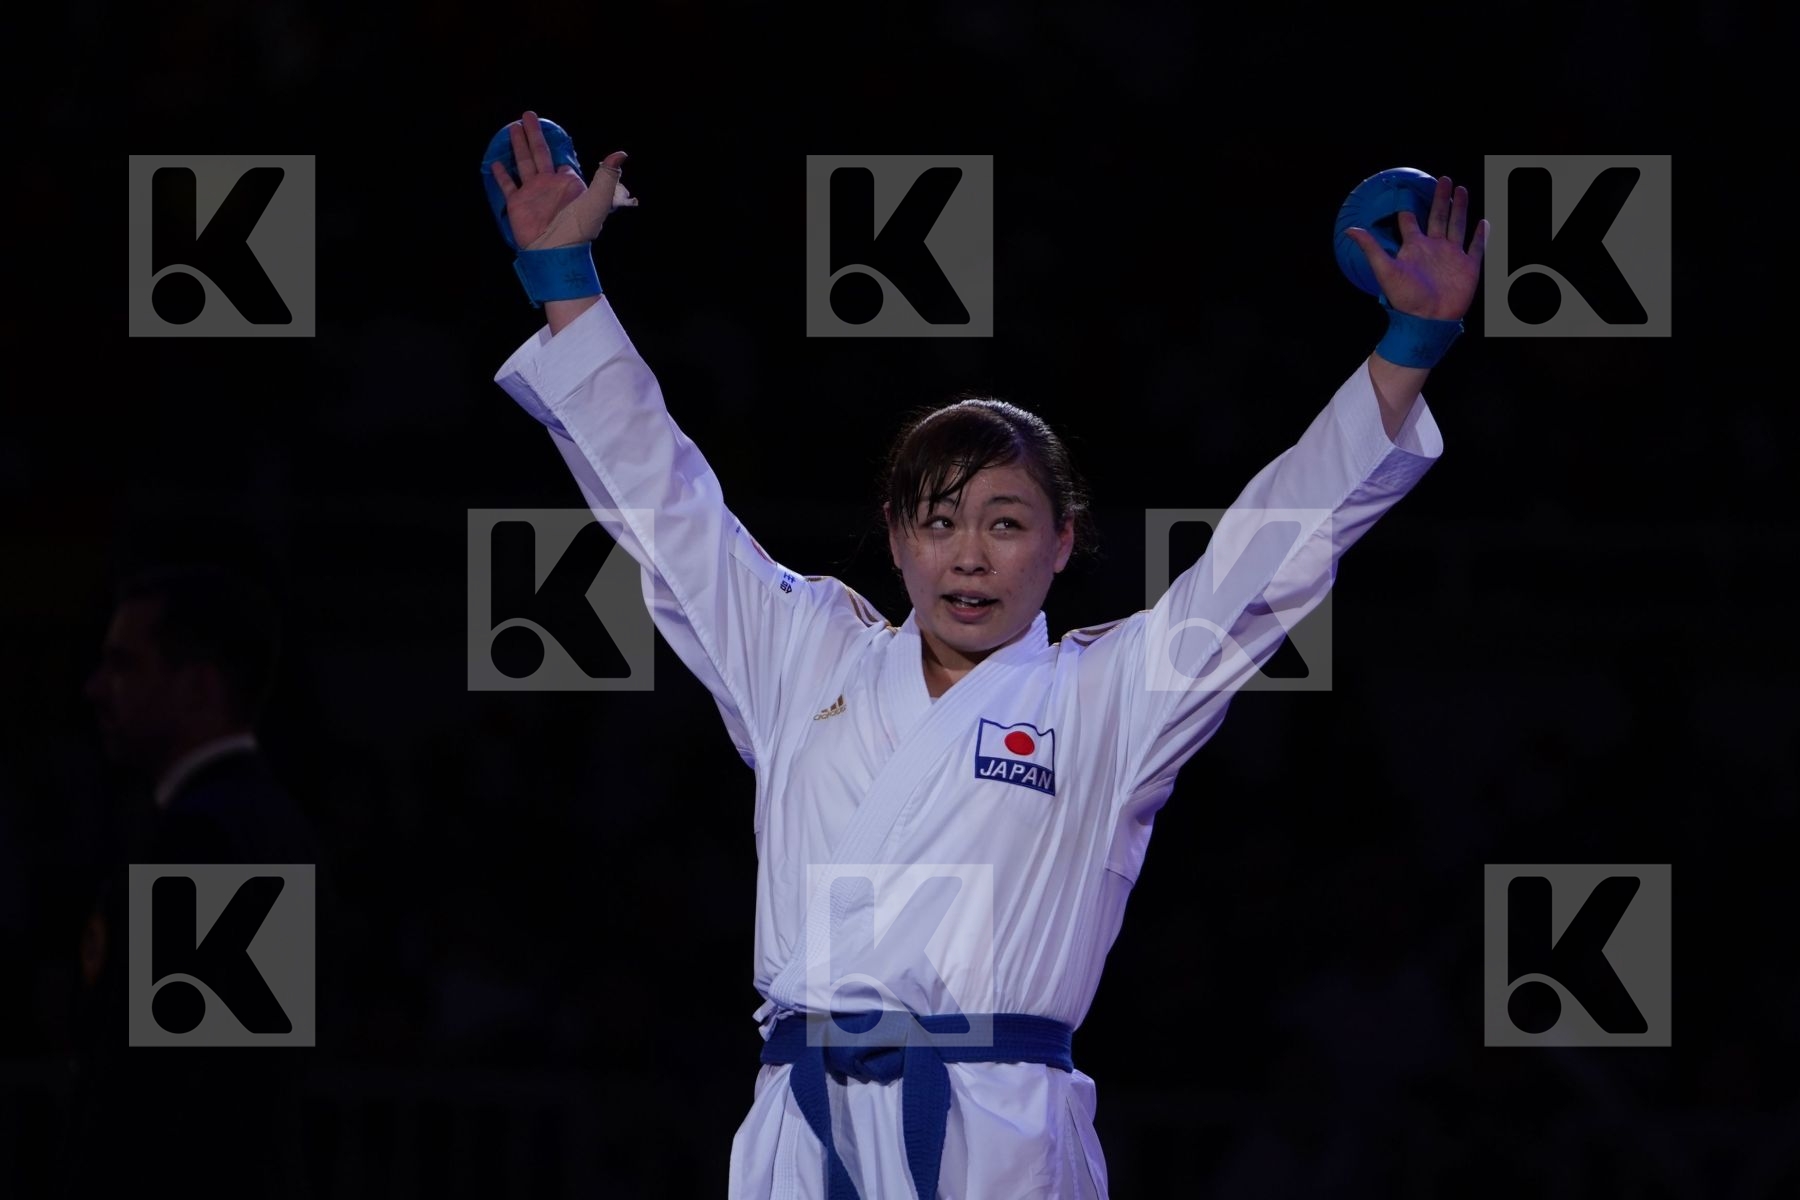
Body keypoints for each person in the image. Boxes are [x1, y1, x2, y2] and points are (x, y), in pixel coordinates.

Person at [485, 110, 1486, 1199]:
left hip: (998, 1138)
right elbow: (667, 508)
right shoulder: (802, 653)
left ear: (1062, 543)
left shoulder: (1109, 697)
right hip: (802, 1135)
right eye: (939, 522)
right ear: (895, 536)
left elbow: (1269, 554)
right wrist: (563, 279)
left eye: (1006, 524)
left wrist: (1407, 350)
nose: (970, 556)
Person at [67, 563, 318, 1199]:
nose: (96, 689)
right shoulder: (255, 820)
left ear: (199, 687)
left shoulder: (208, 836)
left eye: (124, 666)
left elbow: (183, 1104)